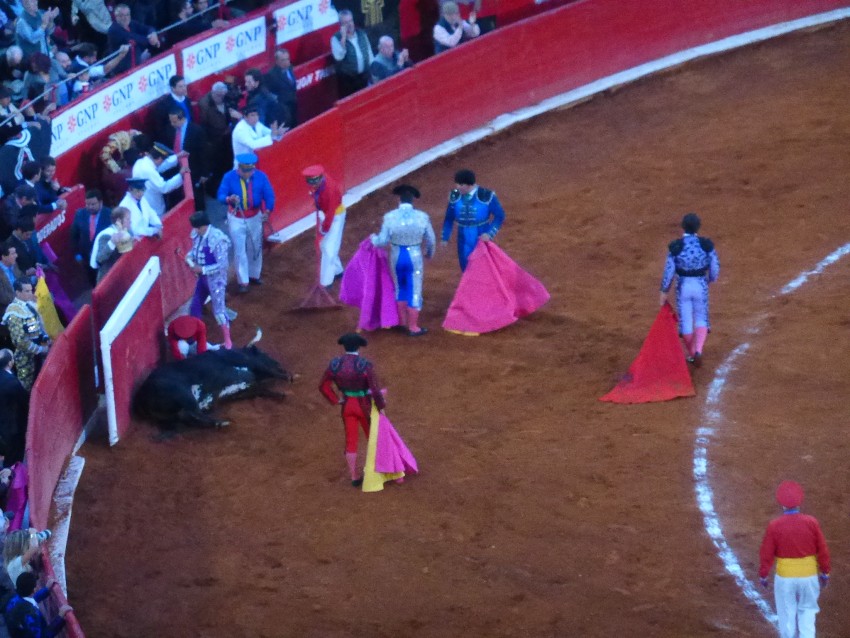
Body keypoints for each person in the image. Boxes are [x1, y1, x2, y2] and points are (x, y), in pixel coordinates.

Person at [759, 480, 830, 638]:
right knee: (807, 616)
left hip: (785, 579)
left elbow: (767, 553)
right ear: (800, 502)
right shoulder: (811, 523)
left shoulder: (775, 525)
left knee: (787, 618)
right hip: (809, 578)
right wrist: (825, 572)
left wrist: (763, 574)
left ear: (781, 504)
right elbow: (823, 549)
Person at [319, 332, 386, 487]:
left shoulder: (335, 364)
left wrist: (337, 400)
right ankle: (378, 471)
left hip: (347, 405)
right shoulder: (364, 365)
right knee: (373, 437)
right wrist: (381, 407)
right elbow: (374, 389)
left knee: (351, 441)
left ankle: (354, 477)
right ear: (359, 347)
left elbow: (323, 386)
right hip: (363, 405)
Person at [371, 184, 435, 336]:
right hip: (414, 256)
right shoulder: (422, 217)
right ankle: (413, 327)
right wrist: (429, 253)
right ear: (413, 200)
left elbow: (382, 241)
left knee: (400, 287)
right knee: (415, 289)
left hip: (396, 254)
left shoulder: (389, 217)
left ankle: (401, 322)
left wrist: (372, 239)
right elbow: (431, 240)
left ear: (399, 199)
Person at [659, 212, 720, 368]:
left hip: (683, 286)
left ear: (683, 227)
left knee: (686, 322)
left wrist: (664, 291)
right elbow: (714, 267)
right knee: (701, 318)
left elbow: (669, 271)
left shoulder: (676, 247)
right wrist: (711, 279)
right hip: (700, 284)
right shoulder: (706, 245)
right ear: (698, 227)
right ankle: (698, 350)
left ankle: (692, 354)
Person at [216, 153, 274, 293]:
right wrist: (229, 199)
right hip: (236, 218)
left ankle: (254, 275)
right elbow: (221, 195)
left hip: (255, 216)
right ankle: (243, 281)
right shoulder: (229, 177)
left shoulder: (261, 177)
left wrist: (267, 211)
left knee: (255, 246)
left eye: (249, 170)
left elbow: (269, 195)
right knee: (240, 248)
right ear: (239, 168)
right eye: (244, 171)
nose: (247, 174)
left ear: (253, 168)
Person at [440, 168, 505, 271]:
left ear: (469, 184)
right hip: (463, 236)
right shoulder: (455, 196)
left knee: (484, 266)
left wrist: (489, 234)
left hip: (481, 234)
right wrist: (445, 237)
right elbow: (449, 218)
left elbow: (500, 216)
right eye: (457, 184)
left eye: (460, 185)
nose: (457, 187)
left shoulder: (486, 195)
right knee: (465, 265)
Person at [186, 210, 233, 349]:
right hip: (202, 279)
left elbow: (223, 265)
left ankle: (228, 342)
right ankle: (196, 339)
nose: (194, 231)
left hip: (216, 280)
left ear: (203, 226)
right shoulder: (198, 235)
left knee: (219, 311)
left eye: (196, 228)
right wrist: (189, 257)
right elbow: (195, 250)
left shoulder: (218, 239)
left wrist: (203, 269)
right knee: (195, 306)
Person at [1, 279, 50, 390]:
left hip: (37, 353)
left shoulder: (29, 305)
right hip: (25, 359)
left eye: (31, 290)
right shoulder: (13, 311)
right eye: (27, 291)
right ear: (18, 293)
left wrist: (45, 337)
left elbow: (36, 327)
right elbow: (19, 341)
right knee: (27, 386)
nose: (31, 294)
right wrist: (40, 349)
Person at [303, 165, 346, 288]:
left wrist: (324, 229)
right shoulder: (321, 181)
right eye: (310, 182)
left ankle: (326, 282)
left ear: (320, 178)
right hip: (327, 213)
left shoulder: (329, 189)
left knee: (328, 248)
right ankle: (338, 271)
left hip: (336, 216)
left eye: (315, 182)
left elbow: (331, 213)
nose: (312, 185)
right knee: (324, 245)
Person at [131, 134, 188, 218]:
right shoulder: (149, 170)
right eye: (162, 160)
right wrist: (180, 175)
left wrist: (177, 156)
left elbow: (159, 167)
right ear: (159, 159)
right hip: (154, 209)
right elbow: (164, 188)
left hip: (145, 205)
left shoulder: (140, 163)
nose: (162, 162)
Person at [4, 570, 72, 637]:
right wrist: (59, 618)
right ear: (34, 589)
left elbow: (30, 600)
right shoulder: (31, 614)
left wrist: (46, 589)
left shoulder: (13, 600)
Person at [70, 189, 111, 285]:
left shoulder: (109, 215)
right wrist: (77, 254)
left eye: (93, 204)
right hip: (86, 257)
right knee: (93, 282)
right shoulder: (80, 214)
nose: (89, 207)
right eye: (87, 204)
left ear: (101, 202)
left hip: (104, 257)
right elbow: (74, 235)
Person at [330, 9, 374, 99]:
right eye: (346, 23)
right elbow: (339, 56)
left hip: (364, 78)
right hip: (348, 82)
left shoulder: (361, 34)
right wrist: (343, 38)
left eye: (351, 21)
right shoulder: (336, 38)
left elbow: (369, 55)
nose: (349, 24)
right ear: (341, 25)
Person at [107, 4, 161, 75]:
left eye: (127, 15)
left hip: (136, 65)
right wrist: (151, 41)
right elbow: (134, 38)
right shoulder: (113, 30)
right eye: (121, 15)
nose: (125, 18)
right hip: (121, 71)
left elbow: (147, 28)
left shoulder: (132, 23)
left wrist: (153, 33)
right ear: (116, 17)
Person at [90, 206, 133, 283]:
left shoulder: (127, 232)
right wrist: (112, 242)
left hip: (121, 276)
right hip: (108, 280)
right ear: (119, 221)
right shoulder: (106, 235)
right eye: (127, 219)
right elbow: (99, 259)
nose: (130, 221)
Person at [230, 105, 280, 169]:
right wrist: (272, 136)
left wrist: (277, 132)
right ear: (245, 117)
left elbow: (269, 133)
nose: (256, 118)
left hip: (256, 163)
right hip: (243, 165)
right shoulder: (240, 130)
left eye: (257, 115)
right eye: (252, 115)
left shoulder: (257, 124)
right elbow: (253, 144)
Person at [0, 348, 28, 463]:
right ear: (10, 363)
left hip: (3, 424)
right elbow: (24, 401)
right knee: (14, 456)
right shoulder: (12, 382)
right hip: (12, 425)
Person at [264, 48, 297, 129]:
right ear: (277, 61)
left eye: (287, 59)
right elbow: (268, 93)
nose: (286, 62)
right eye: (283, 60)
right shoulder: (271, 75)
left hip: (294, 104)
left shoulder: (290, 68)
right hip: (283, 110)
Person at [152, 75, 192, 141]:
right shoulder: (164, 105)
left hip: (190, 134)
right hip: (175, 139)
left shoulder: (187, 100)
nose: (184, 88)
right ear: (173, 88)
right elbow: (160, 127)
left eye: (184, 85)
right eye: (180, 86)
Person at [0, 241, 22, 309]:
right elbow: (3, 297)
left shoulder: (14, 264)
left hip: (21, 300)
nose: (16, 256)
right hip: (8, 308)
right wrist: (21, 298)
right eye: (13, 254)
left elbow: (21, 278)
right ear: (4, 257)